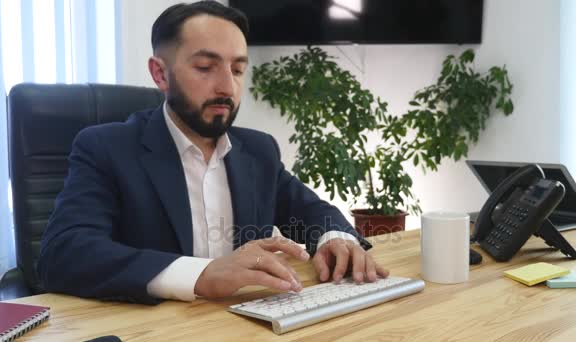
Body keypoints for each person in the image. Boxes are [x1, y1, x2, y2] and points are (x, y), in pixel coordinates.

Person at [38, 1, 389, 305]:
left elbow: (311, 210)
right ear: (160, 73)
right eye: (205, 68)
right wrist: (201, 275)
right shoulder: (105, 147)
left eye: (237, 69)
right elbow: (64, 253)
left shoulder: (258, 149)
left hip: (244, 325)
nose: (227, 86)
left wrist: (336, 238)